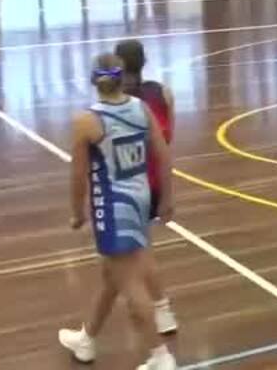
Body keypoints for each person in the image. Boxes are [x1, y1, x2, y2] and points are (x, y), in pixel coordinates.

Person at [58, 54, 176, 370]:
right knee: (113, 274)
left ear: (94, 81)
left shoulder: (87, 121)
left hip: (112, 208)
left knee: (129, 283)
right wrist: (166, 199)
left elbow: (78, 174)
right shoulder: (142, 109)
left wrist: (76, 213)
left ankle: (160, 357)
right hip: (140, 200)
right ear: (122, 78)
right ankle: (87, 340)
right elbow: (163, 155)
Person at [114, 40, 179, 336]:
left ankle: (162, 309)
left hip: (130, 183)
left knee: (137, 253)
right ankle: (88, 332)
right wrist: (167, 194)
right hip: (155, 180)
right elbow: (168, 140)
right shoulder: (163, 93)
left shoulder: (118, 101)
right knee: (129, 254)